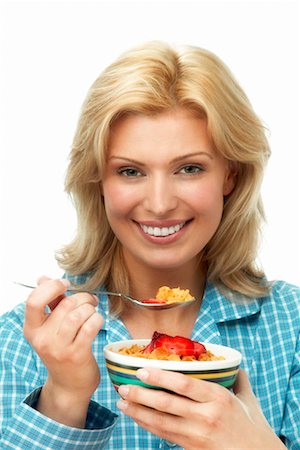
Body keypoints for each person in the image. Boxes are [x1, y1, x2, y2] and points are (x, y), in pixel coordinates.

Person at [0, 41, 299, 450]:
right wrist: (65, 397)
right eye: (130, 171)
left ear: (230, 175)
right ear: (98, 182)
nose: (159, 204)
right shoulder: (20, 340)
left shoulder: (293, 327)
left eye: (189, 168)